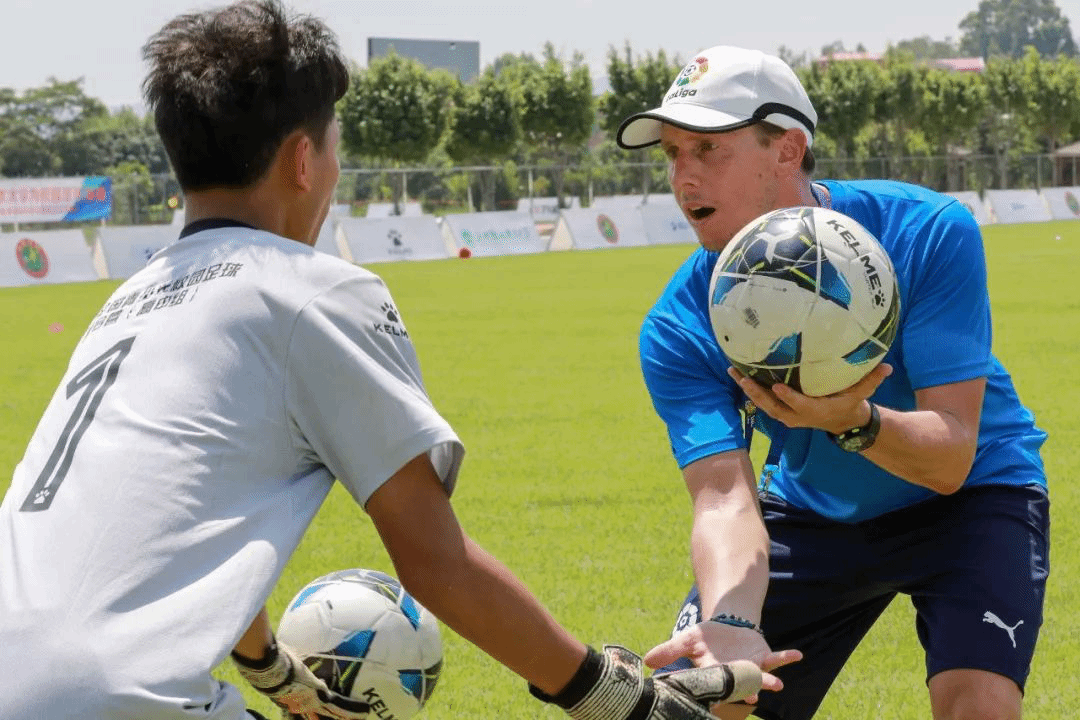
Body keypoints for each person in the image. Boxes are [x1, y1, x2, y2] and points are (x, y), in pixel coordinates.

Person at [0, 10, 767, 720]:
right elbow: (435, 563)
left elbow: (175, 509)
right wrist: (617, 699)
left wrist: (268, 666)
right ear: (304, 160)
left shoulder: (130, 299)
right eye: (336, 146)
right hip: (113, 698)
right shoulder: (309, 292)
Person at [614, 45, 1049, 720]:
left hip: (974, 497)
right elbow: (723, 498)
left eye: (707, 149)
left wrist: (853, 420)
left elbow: (950, 458)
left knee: (978, 707)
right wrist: (731, 618)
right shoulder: (678, 326)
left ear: (787, 150)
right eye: (672, 153)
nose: (683, 176)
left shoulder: (928, 230)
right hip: (811, 510)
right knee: (707, 698)